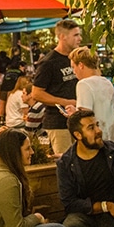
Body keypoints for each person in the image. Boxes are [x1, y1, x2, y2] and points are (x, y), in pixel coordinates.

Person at [32, 19, 82, 155]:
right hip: (58, 123)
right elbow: (36, 93)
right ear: (62, 37)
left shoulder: (76, 58)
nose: (80, 38)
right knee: (65, 163)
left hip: (77, 121)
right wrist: (66, 102)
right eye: (75, 35)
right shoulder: (49, 62)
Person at [68, 47, 114, 142]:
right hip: (113, 138)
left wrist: (73, 114)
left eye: (73, 67)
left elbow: (85, 117)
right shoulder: (107, 82)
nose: (74, 71)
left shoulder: (83, 84)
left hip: (96, 140)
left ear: (81, 65)